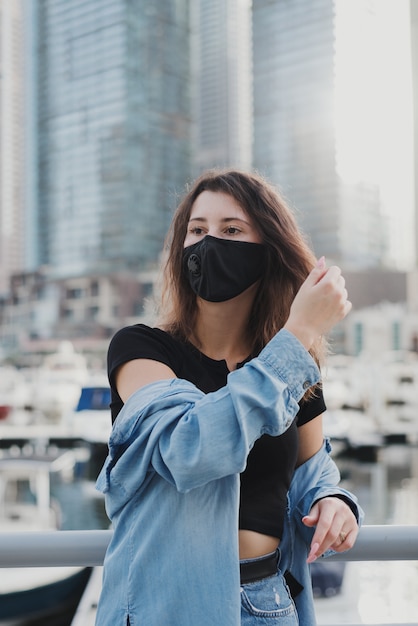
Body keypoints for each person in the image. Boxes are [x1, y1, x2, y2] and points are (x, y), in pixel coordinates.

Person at [95, 169, 363, 626]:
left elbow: (311, 470)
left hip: (268, 603)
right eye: (196, 230)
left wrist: (333, 499)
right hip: (164, 607)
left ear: (268, 250)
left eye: (231, 229)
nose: (208, 242)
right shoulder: (141, 348)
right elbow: (187, 450)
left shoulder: (293, 365)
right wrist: (297, 336)